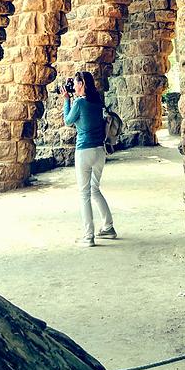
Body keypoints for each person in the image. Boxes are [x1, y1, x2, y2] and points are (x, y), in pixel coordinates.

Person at [60, 71, 117, 248]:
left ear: (82, 84)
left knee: (84, 194)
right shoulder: (97, 101)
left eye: (76, 83)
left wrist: (66, 100)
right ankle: (108, 227)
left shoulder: (79, 103)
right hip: (100, 151)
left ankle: (88, 236)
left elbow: (68, 121)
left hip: (84, 150)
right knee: (95, 189)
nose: (74, 87)